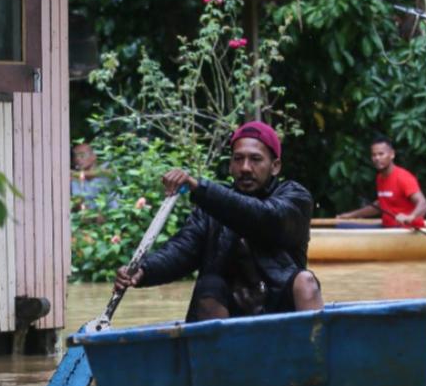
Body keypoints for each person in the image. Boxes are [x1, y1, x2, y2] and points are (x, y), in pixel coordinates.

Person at [113, 121, 324, 322]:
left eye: (256, 159)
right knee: (209, 286)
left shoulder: (295, 197)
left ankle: (316, 353)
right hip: (228, 313)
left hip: (281, 308)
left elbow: (263, 217)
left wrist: (199, 188)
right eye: (238, 159)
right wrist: (143, 271)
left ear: (275, 166)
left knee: (305, 281)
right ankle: (218, 355)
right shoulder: (210, 209)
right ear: (230, 165)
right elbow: (181, 251)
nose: (245, 168)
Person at [338, 135, 426, 228]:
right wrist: (351, 215)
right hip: (387, 228)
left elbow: (424, 204)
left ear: (392, 154)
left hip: (405, 231)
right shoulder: (380, 177)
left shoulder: (403, 177)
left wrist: (410, 217)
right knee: (342, 226)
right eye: (374, 155)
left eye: (381, 154)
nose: (377, 158)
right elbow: (381, 205)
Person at [70, 143, 117, 212]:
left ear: (93, 156)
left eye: (82, 155)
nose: (77, 159)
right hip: (91, 217)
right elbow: (79, 201)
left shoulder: (108, 166)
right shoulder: (75, 178)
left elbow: (104, 173)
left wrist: (74, 173)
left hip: (114, 214)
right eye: (75, 157)